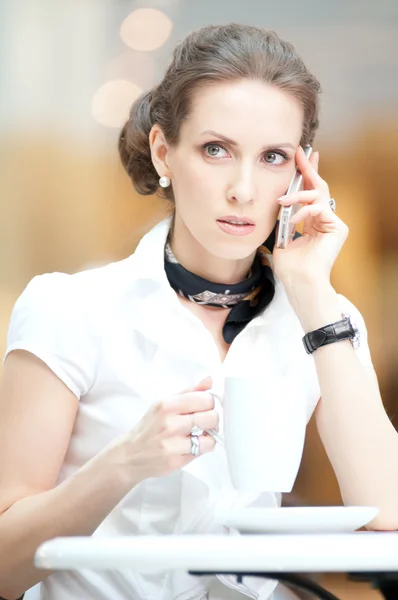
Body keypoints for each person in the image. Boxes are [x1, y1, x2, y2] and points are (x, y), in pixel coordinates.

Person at [0, 22, 397, 600]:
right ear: (164, 151)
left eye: (272, 157)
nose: (242, 189)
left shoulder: (323, 322)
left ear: (302, 171)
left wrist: (313, 294)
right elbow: (3, 567)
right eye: (217, 149)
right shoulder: (70, 308)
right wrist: (123, 465)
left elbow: (388, 518)